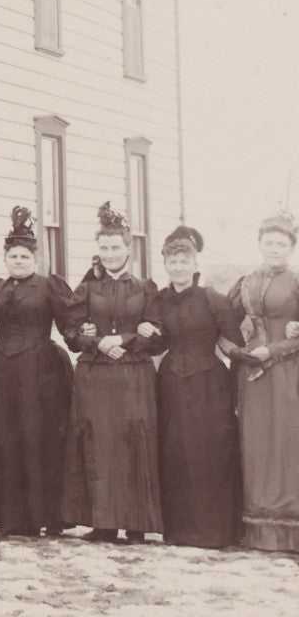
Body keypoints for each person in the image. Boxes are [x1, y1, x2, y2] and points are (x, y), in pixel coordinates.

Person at [61, 202, 162, 543]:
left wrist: (128, 338)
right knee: (99, 444)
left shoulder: (146, 287)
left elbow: (158, 330)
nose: (109, 254)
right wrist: (100, 342)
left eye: (115, 247)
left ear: (128, 250)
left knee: (133, 442)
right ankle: (102, 522)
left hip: (134, 375)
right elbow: (71, 332)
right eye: (103, 248)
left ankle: (135, 524)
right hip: (96, 375)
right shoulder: (87, 288)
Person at [151, 225, 243, 548]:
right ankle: (179, 531)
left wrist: (235, 389)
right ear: (165, 265)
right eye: (172, 262)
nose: (178, 268)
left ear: (194, 264)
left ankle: (215, 532)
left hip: (209, 384)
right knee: (175, 453)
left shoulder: (213, 299)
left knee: (210, 453)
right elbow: (154, 342)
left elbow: (234, 343)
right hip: (172, 383)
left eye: (183, 261)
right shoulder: (159, 301)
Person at [0, 207, 74, 536]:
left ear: (35, 259)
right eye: (13, 256)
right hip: (2, 369)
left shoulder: (49, 286)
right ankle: (13, 519)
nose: (18, 261)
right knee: (7, 438)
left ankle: (46, 516)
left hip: (40, 370)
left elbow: (70, 326)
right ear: (6, 259)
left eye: (24, 256)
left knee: (38, 438)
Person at [228, 209, 299, 552]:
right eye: (268, 243)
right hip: (251, 375)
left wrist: (273, 349)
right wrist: (236, 351)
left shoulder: (296, 283)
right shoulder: (246, 281)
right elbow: (224, 322)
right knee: (255, 444)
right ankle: (256, 533)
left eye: (281, 244)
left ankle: (288, 532)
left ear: (291, 247)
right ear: (259, 244)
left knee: (284, 444)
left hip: (287, 374)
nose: (274, 249)